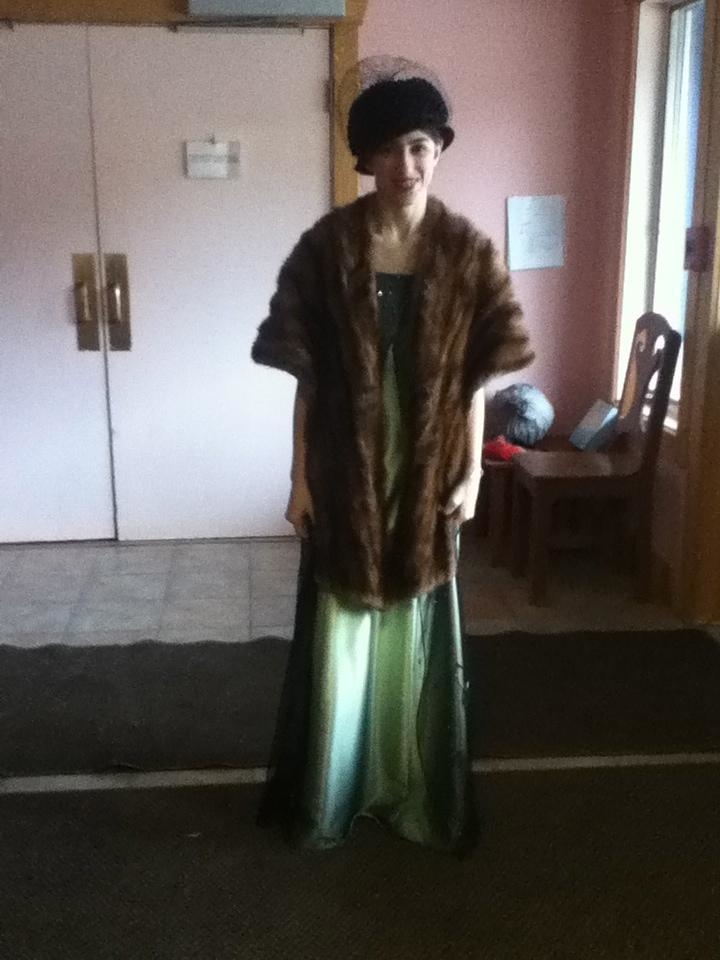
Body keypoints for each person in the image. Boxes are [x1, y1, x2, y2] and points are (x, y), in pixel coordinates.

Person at [251, 58, 534, 853]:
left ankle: (408, 781)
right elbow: (307, 382)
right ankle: (337, 789)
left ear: (438, 149)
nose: (405, 165)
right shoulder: (327, 251)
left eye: (419, 146)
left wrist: (472, 473)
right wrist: (300, 480)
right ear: (365, 156)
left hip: (428, 477)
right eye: (388, 148)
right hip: (345, 474)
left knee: (415, 625)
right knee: (342, 624)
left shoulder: (466, 253)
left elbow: (476, 380)